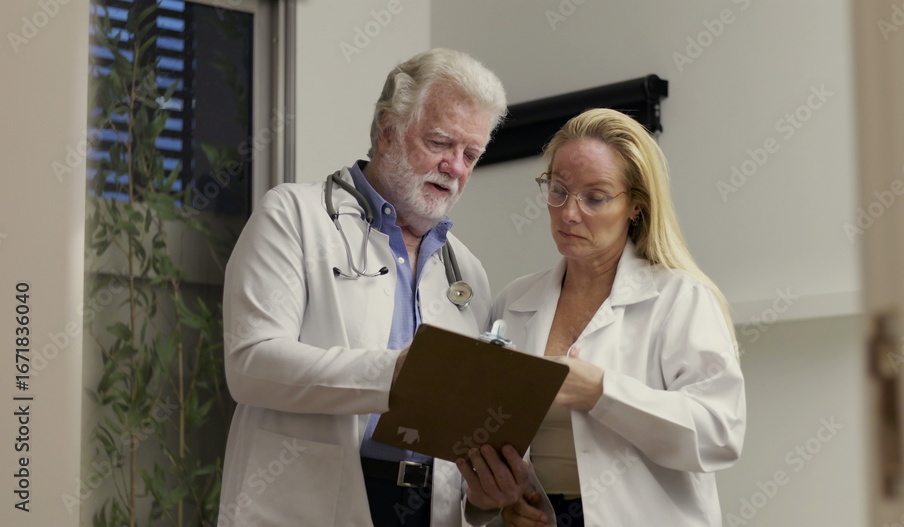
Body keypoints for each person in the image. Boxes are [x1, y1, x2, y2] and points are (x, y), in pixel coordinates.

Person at [218, 48, 528, 527]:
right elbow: (250, 365)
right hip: (309, 503)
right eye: (441, 143)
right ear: (387, 130)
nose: (456, 168)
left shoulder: (466, 270)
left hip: (427, 510)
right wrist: (395, 374)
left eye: (472, 154)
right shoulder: (293, 216)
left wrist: (485, 498)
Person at [481, 108, 747, 527]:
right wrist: (502, 508)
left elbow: (719, 434)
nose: (569, 213)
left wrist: (602, 392)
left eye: (595, 197)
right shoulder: (513, 302)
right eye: (558, 190)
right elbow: (487, 443)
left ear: (635, 207)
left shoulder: (680, 298)